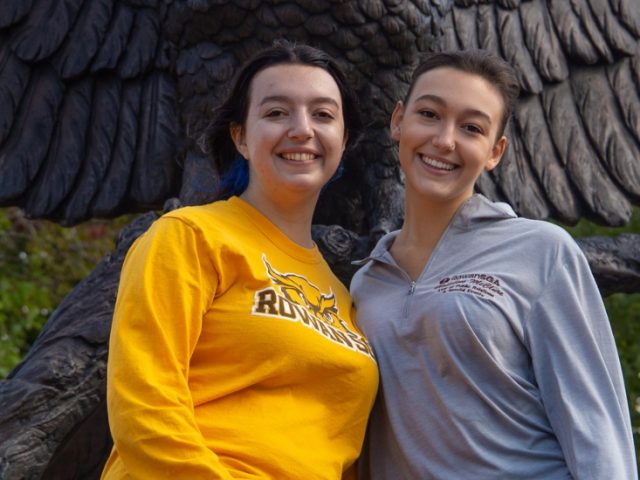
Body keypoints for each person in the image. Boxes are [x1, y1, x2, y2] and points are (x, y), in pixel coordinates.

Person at [351, 49, 637, 479]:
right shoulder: (365, 283)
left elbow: (596, 427)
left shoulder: (541, 251)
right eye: (429, 114)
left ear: (494, 151)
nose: (445, 139)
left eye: (471, 127)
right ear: (398, 120)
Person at [101, 40, 378, 480]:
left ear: (343, 141)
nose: (302, 129)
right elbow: (143, 404)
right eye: (276, 113)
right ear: (241, 137)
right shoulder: (192, 236)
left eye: (323, 114)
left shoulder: (345, 297)